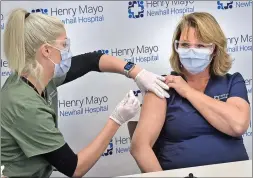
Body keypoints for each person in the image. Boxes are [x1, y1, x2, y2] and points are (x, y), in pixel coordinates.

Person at [1, 8, 170, 178]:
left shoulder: (37, 76)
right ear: (46, 51)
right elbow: (74, 168)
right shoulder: (25, 105)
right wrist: (116, 120)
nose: (67, 50)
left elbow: (92, 60)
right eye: (64, 45)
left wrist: (136, 72)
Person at [130, 12, 250, 172]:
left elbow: (238, 125)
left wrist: (187, 91)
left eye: (200, 45)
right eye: (185, 45)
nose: (192, 51)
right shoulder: (161, 86)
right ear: (177, 47)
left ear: (214, 49)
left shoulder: (232, 81)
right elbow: (140, 147)